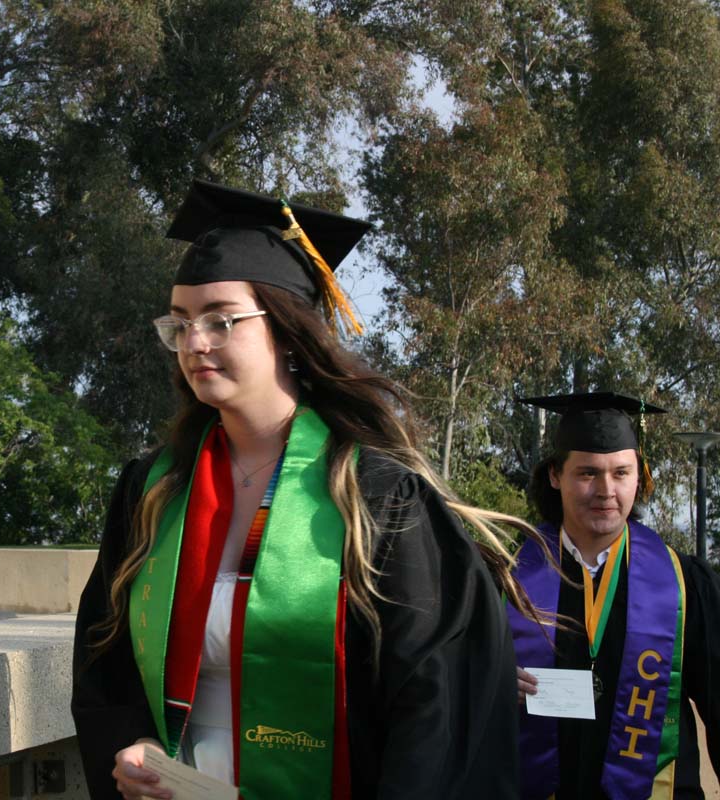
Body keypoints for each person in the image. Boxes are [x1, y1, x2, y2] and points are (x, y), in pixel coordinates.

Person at [71, 178, 535, 800]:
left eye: (221, 320)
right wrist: (135, 743)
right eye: (179, 324)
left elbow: (433, 700)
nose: (194, 344)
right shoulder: (151, 490)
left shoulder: (375, 497)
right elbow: (105, 659)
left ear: (287, 332)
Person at [511, 392, 720, 799]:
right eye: (588, 472)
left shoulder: (682, 584)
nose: (606, 490)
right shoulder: (507, 580)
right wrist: (492, 687)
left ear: (639, 477)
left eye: (621, 473)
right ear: (555, 475)